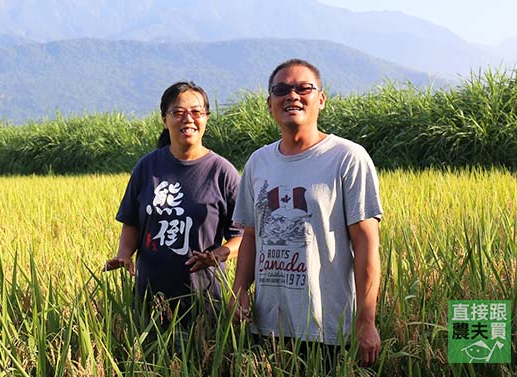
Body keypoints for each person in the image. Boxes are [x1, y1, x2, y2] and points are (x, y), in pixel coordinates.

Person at [230, 59, 383, 367]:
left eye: (303, 88)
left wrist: (366, 320)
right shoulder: (259, 162)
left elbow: (367, 243)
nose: (292, 96)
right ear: (269, 103)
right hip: (267, 326)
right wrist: (239, 292)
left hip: (327, 329)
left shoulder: (347, 157)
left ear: (321, 99)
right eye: (281, 89)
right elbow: (250, 235)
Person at [105, 81, 243, 324]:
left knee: (202, 359)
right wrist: (124, 254)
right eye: (178, 112)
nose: (187, 119)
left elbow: (243, 236)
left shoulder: (222, 172)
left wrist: (219, 254)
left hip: (204, 301)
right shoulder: (147, 167)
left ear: (206, 118)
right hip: (150, 300)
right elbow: (132, 223)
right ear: (164, 119)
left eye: (196, 112)